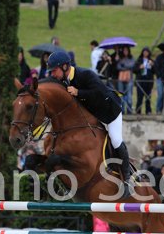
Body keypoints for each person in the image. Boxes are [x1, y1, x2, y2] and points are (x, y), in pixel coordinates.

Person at [46, 51, 132, 196]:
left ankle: (128, 179)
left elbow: (99, 93)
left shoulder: (86, 74)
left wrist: (78, 92)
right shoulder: (62, 81)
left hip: (109, 111)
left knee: (116, 140)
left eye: (54, 70)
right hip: (92, 114)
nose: (52, 74)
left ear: (65, 66)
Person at [133, 47, 154, 115]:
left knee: (148, 97)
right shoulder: (139, 60)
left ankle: (148, 111)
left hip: (148, 81)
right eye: (144, 52)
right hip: (140, 81)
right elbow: (134, 70)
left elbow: (155, 71)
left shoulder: (151, 61)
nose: (145, 53)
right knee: (140, 97)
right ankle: (138, 111)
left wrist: (152, 65)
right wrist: (139, 67)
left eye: (147, 52)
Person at [116, 46, 134, 113]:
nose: (125, 51)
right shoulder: (120, 58)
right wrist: (125, 67)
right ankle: (122, 110)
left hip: (129, 78)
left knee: (129, 95)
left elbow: (132, 65)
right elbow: (118, 67)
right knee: (121, 95)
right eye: (124, 50)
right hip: (121, 78)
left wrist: (123, 65)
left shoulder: (131, 58)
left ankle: (129, 110)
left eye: (126, 50)